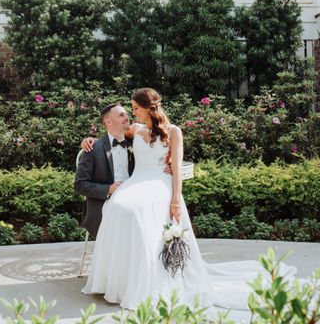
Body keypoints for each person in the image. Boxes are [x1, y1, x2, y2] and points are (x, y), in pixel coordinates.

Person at [81, 88, 294, 310]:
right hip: (137, 181)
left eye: (135, 108)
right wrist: (88, 140)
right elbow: (109, 136)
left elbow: (176, 169)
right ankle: (118, 279)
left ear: (148, 107)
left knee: (136, 211)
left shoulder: (173, 132)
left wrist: (175, 200)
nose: (132, 113)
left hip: (160, 182)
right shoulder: (135, 130)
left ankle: (148, 279)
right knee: (117, 205)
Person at [75, 103, 135, 237]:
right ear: (108, 121)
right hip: (105, 204)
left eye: (126, 113)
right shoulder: (93, 148)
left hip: (133, 201)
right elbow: (80, 185)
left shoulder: (136, 145)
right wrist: (108, 189)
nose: (127, 116)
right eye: (121, 115)